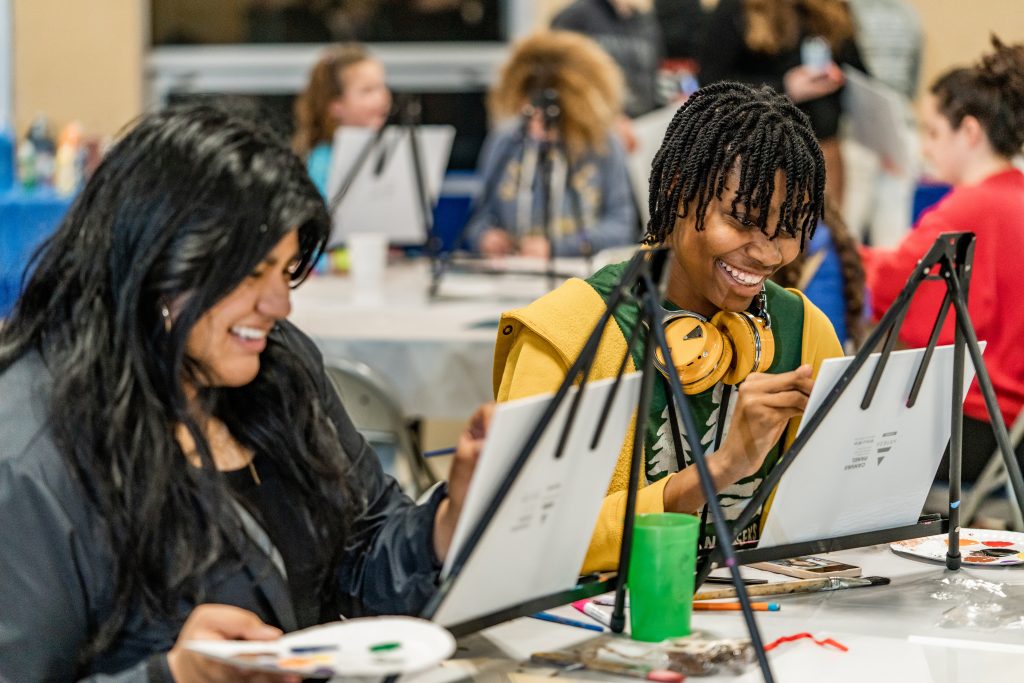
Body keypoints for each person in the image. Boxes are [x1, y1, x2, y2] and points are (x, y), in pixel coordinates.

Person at [0, 103, 489, 682]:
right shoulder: (33, 454)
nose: (279, 305)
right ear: (154, 260)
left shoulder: (275, 366)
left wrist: (449, 522)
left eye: (284, 271)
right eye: (251, 273)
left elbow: (359, 561)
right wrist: (172, 675)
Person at [493, 82, 843, 572]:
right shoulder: (567, 334)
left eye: (789, 228)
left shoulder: (803, 331)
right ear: (678, 188)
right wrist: (719, 471)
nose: (767, 253)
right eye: (741, 221)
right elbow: (517, 535)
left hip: (772, 617)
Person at [861, 37, 1024, 483]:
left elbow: (892, 289)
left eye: (932, 133)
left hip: (976, 429)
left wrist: (841, 253)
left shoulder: (970, 208)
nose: (925, 149)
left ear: (969, 132)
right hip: (1012, 434)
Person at [465, 30, 637, 259]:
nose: (537, 126)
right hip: (514, 276)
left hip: (582, 278)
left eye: (549, 118)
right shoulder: (506, 140)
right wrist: (486, 237)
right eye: (529, 113)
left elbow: (621, 228)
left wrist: (558, 247)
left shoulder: (603, 145)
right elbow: (479, 218)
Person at [698, 0, 867, 205]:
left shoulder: (833, 7)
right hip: (760, 153)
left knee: (826, 232)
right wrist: (783, 87)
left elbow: (860, 75)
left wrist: (837, 75)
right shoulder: (738, 7)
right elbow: (711, 81)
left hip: (824, 149)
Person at [293, 43, 392, 196]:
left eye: (382, 86)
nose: (382, 98)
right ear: (336, 105)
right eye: (368, 90)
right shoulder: (322, 164)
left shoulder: (383, 152)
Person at [771, 203, 867, 350]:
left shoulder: (794, 238)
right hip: (837, 352)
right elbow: (865, 308)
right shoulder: (840, 239)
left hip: (805, 354)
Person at [551, 0, 665, 119]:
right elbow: (558, 80)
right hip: (597, 123)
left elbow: (655, 78)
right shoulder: (575, 17)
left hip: (642, 123)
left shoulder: (646, 22)